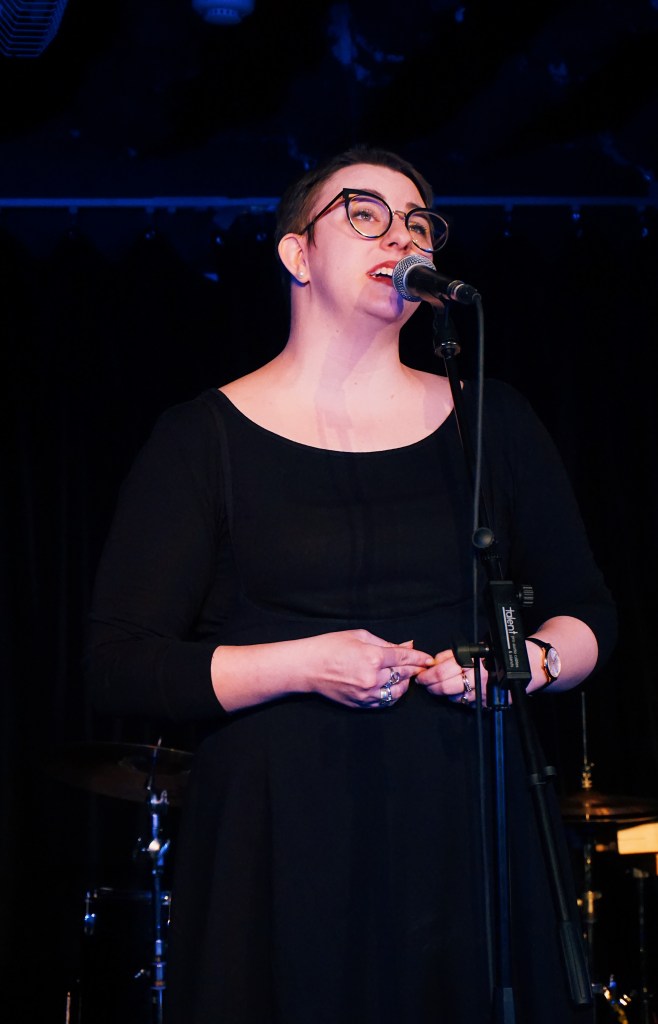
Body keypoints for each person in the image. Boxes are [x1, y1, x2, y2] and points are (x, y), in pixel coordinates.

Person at [85, 145, 617, 1024]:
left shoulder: (492, 418)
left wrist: (527, 664)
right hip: (282, 834)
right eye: (365, 213)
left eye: (418, 223)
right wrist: (303, 664)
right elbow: (119, 663)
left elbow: (588, 613)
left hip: (464, 822)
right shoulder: (201, 439)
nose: (400, 235)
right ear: (297, 254)